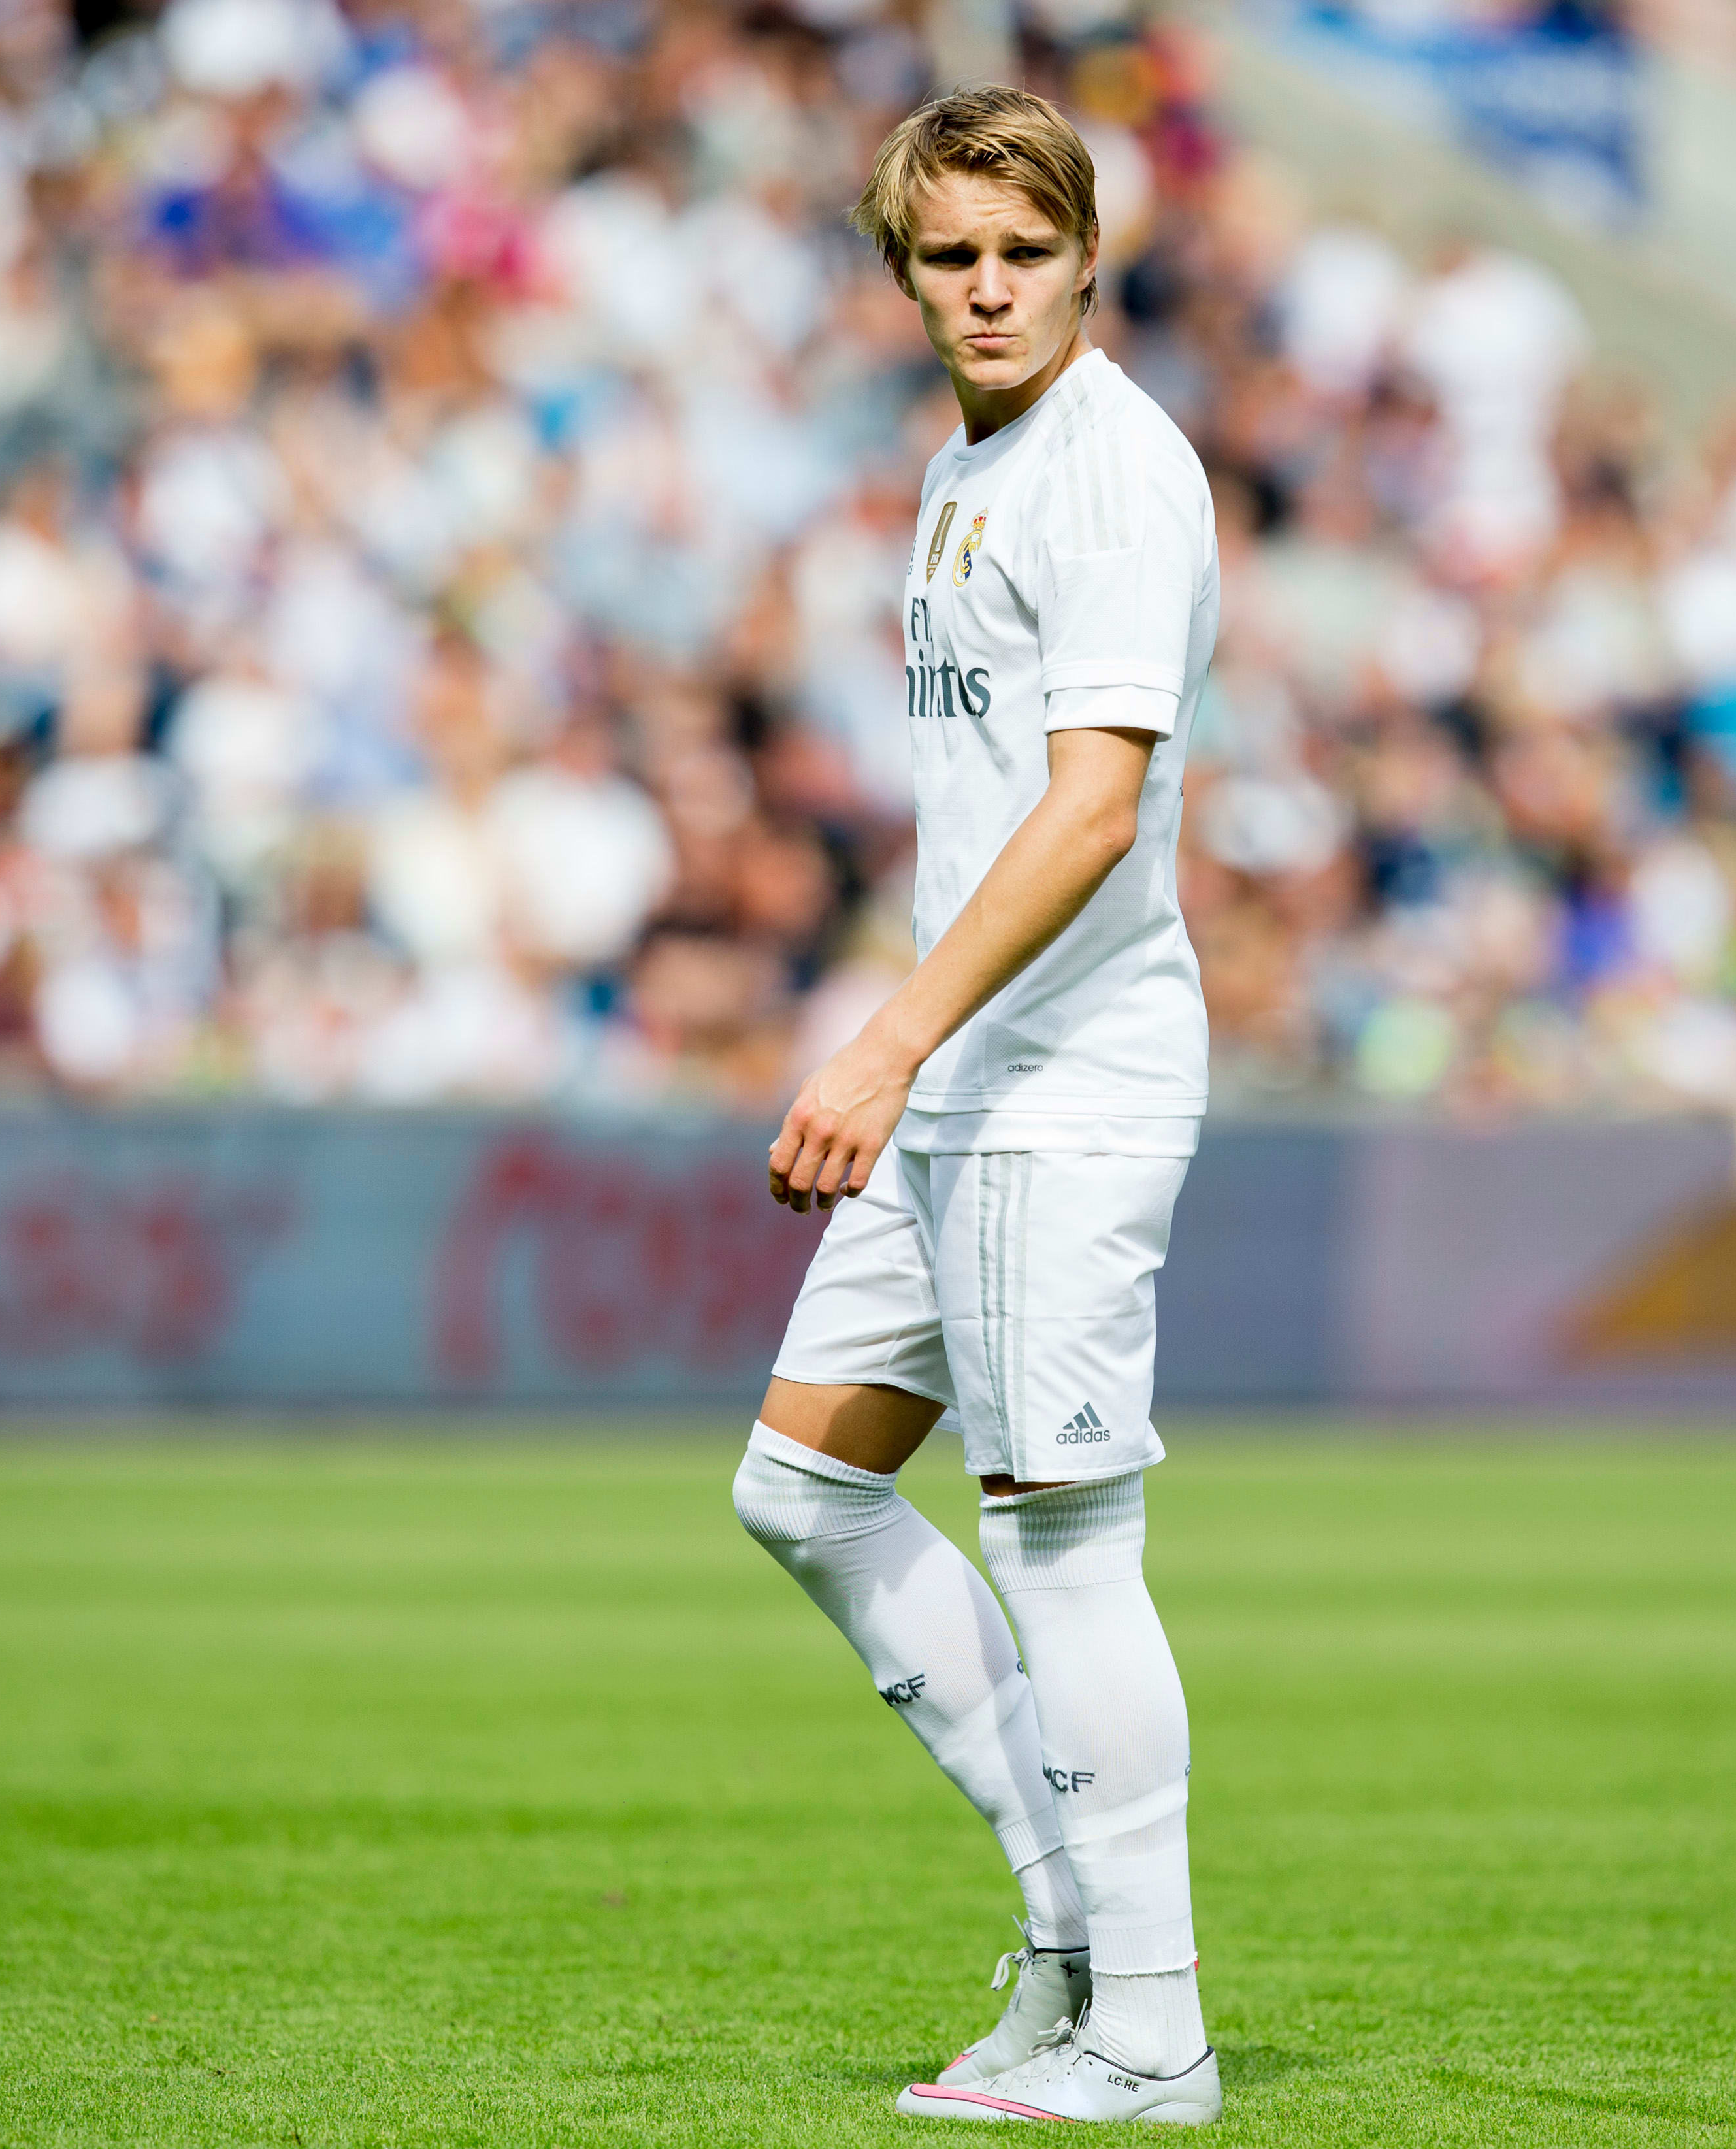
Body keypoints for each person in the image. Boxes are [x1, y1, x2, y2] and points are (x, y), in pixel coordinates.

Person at [730, 84, 1225, 2129]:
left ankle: (1152, 2031)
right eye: (951, 255)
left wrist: (885, 1040)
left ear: (1089, 257)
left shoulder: (1109, 471)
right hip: (967, 1078)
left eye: (1026, 250)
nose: (991, 286)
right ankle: (1068, 1934)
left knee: (1065, 1549)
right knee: (801, 1486)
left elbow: (1094, 812)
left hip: (1057, 1087)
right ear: (904, 273)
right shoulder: (970, 464)